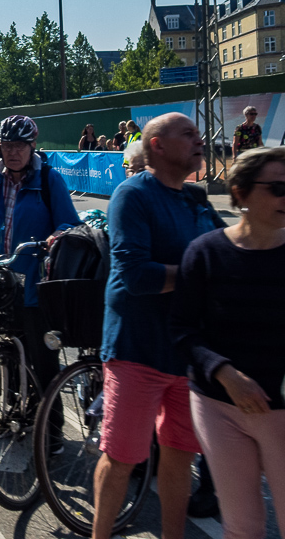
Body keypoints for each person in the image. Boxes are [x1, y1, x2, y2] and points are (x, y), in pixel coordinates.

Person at [92, 112, 222, 539]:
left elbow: (227, 251)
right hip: (137, 349)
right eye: (187, 134)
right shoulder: (132, 194)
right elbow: (136, 276)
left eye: (198, 134)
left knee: (180, 456)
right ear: (157, 146)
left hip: (185, 351)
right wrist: (198, 275)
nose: (199, 140)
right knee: (122, 458)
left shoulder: (196, 198)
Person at [172, 147, 285, 539]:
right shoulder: (205, 253)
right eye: (277, 187)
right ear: (242, 192)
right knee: (242, 526)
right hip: (218, 406)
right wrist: (225, 373)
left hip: (284, 413)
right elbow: (182, 330)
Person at [0, 115, 80, 397]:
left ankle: (51, 432)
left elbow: (69, 222)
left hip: (36, 282)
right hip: (3, 279)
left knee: (43, 359)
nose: (13, 152)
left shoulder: (49, 179)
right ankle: (14, 413)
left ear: (33, 146)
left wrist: (54, 237)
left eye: (19, 146)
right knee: (9, 349)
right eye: (7, 146)